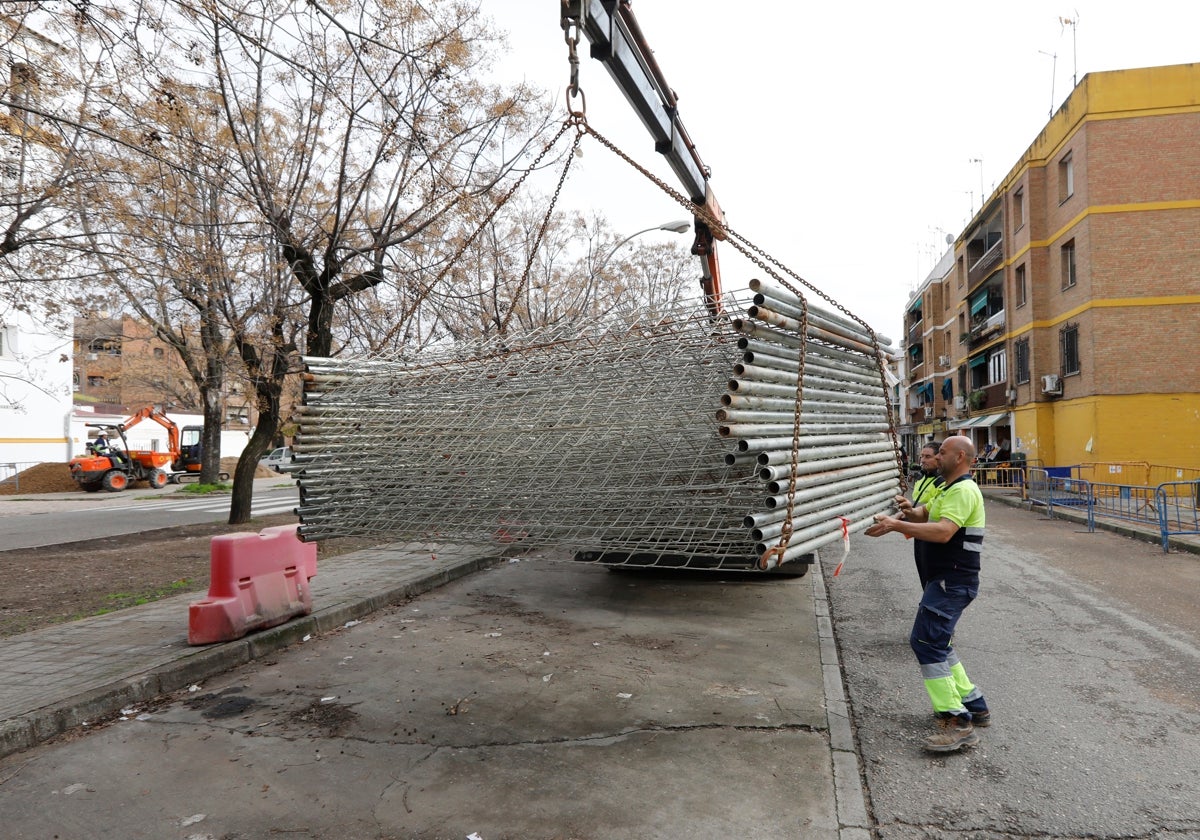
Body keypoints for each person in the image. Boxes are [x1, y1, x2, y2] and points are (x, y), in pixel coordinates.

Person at [865, 434, 990, 753]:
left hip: (953, 580)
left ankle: (956, 721)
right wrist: (904, 513)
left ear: (960, 457)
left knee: (925, 640)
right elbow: (925, 515)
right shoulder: (947, 488)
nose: (936, 457)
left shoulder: (963, 490)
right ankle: (973, 703)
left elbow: (943, 530)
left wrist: (896, 526)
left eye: (943, 452)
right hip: (946, 580)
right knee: (940, 641)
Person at [900, 440, 944, 589]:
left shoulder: (941, 482)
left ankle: (930, 605)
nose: (923, 460)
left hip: (932, 536)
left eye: (928, 456)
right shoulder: (922, 478)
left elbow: (930, 511)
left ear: (939, 458)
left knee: (933, 578)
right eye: (922, 456)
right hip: (919, 534)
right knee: (924, 576)